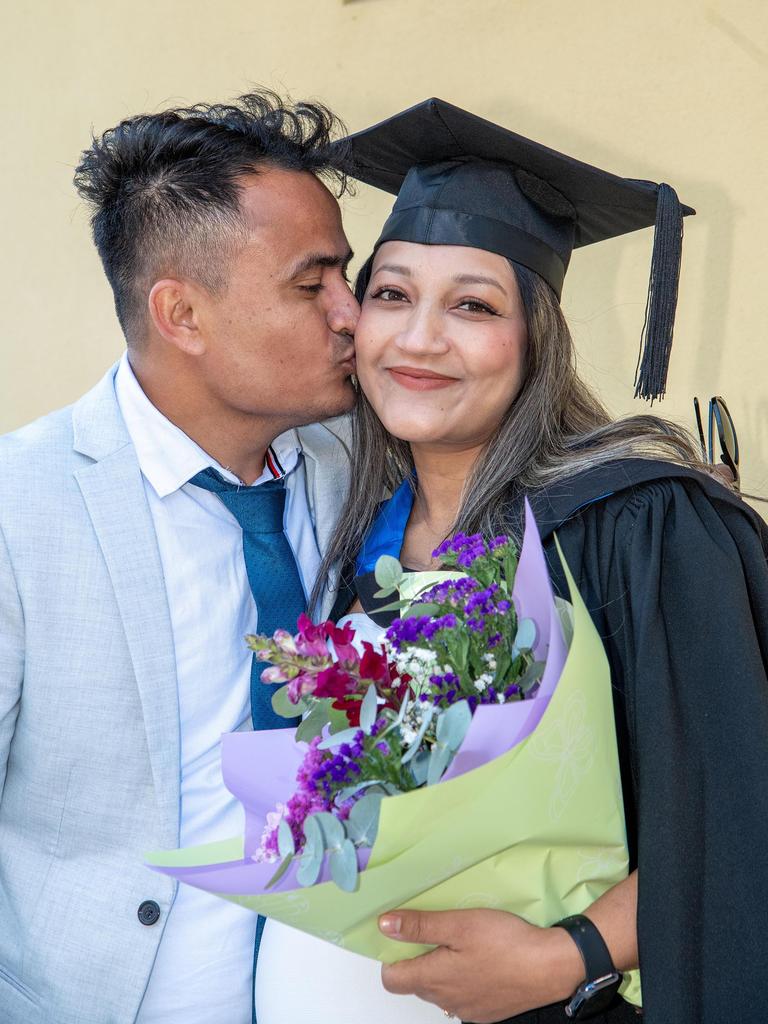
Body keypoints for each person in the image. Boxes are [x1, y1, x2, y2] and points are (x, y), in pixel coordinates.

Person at [256, 99, 768, 1024]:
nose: (418, 340)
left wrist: (569, 955)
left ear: (535, 337)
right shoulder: (354, 536)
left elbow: (738, 816)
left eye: (473, 306)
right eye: (392, 294)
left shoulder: (641, 524)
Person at [0, 90, 360, 1024]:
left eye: (349, 278)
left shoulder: (357, 469)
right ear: (183, 314)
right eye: (311, 282)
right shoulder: (20, 507)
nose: (353, 314)